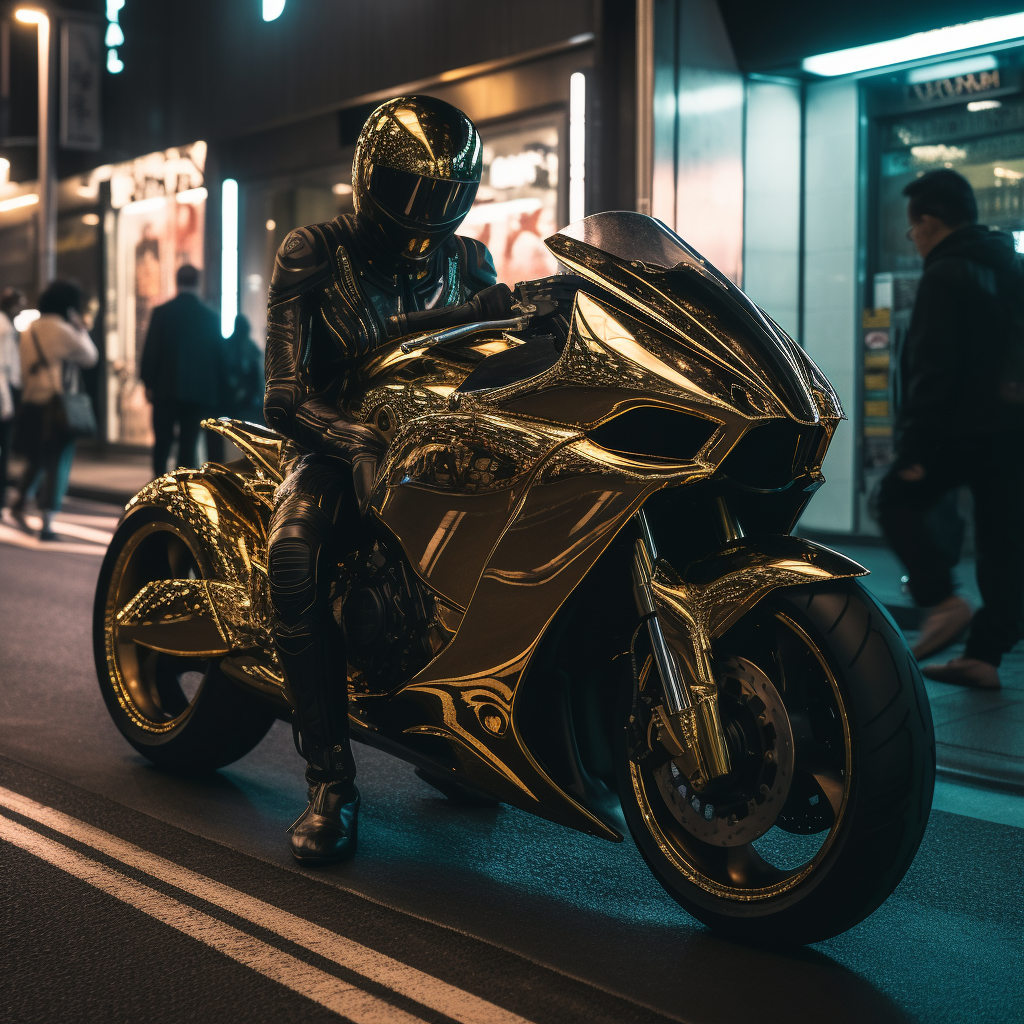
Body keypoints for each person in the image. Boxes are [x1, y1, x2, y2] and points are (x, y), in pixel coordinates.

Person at [264, 95, 511, 865]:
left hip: (439, 448)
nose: (426, 211)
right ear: (370, 179)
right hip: (336, 445)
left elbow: (491, 368)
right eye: (411, 190)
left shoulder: (469, 261)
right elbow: (283, 392)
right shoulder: (313, 251)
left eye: (444, 193)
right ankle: (330, 784)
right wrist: (354, 438)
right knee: (296, 559)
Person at [878, 168, 1024, 689]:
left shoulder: (945, 273)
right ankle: (984, 656)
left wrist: (915, 446)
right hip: (1013, 433)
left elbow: (932, 368)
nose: (913, 238)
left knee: (894, 499)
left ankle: (941, 600)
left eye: (912, 228)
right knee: (1004, 542)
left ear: (931, 222)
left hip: (960, 431)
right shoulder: (1013, 266)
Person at [9, 281, 98, 540]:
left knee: (35, 458)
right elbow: (90, 357)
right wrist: (80, 328)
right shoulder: (62, 330)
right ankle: (47, 522)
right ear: (68, 307)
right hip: (56, 406)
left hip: (30, 404)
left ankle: (19, 502)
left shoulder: (30, 329)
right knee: (58, 461)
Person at [140, 264, 225, 476]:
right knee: (188, 443)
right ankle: (181, 489)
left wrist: (148, 383)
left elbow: (151, 350)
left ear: (177, 282)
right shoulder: (210, 316)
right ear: (198, 282)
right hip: (198, 392)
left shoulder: (161, 313)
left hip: (164, 389)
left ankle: (158, 485)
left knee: (163, 441)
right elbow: (218, 356)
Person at [0, 287, 25, 510]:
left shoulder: (7, 324)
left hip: (6, 390)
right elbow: (5, 366)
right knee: (3, 449)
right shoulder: (3, 326)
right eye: (20, 303)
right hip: (3, 392)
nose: (22, 308)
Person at [224, 314, 265, 424]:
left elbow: (255, 374)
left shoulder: (249, 347)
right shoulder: (229, 345)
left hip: (247, 394)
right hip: (232, 392)